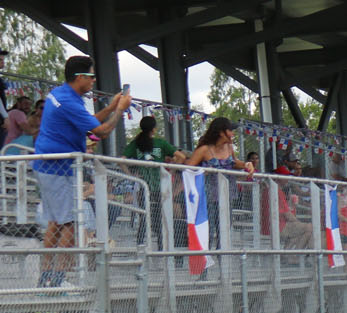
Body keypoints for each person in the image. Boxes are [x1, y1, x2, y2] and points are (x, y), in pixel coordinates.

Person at [33, 56, 131, 286]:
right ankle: (56, 280)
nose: (94, 80)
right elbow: (103, 131)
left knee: (56, 222)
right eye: (92, 76)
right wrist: (120, 110)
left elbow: (88, 124)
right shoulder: (69, 101)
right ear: (80, 77)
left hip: (50, 166)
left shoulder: (61, 94)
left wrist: (110, 106)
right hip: (58, 168)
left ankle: (46, 279)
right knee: (70, 224)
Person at [184, 116, 254, 249]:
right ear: (222, 132)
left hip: (226, 195)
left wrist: (246, 164)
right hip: (207, 197)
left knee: (224, 231)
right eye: (230, 130)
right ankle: (203, 266)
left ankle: (223, 265)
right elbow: (188, 169)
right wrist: (202, 171)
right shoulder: (204, 150)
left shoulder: (229, 147)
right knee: (207, 232)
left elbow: (233, 162)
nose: (233, 134)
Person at [123, 114, 182, 248]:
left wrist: (131, 176)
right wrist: (169, 173)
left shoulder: (136, 143)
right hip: (159, 185)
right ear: (154, 129)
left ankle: (140, 244)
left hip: (144, 186)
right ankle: (161, 247)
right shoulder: (161, 143)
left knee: (145, 216)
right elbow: (181, 156)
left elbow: (122, 160)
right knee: (160, 217)